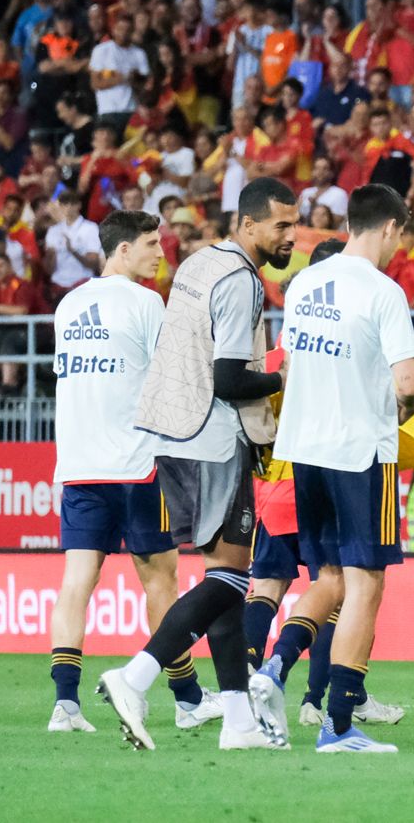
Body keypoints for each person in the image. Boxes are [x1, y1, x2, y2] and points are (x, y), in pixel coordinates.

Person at [97, 178, 298, 753]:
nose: (289, 236)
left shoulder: (200, 262)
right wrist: (289, 378)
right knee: (232, 576)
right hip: (213, 437)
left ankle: (237, 724)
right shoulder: (241, 280)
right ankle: (135, 678)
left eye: (294, 224)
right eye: (280, 226)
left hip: (175, 433)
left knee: (223, 583)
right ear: (250, 225)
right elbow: (231, 379)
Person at [252, 183, 414, 753]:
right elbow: (408, 382)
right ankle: (340, 725)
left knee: (327, 577)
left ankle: (273, 669)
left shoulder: (302, 282)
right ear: (391, 228)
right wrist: (409, 408)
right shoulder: (384, 292)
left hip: (304, 451)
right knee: (365, 584)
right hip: (359, 453)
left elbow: (294, 358)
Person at [46, 210, 211, 735]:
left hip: (78, 463)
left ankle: (65, 705)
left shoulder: (68, 305)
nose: (160, 254)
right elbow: (174, 380)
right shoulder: (145, 303)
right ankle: (186, 699)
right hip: (139, 465)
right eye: (150, 244)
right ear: (121, 250)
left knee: (77, 581)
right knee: (161, 579)